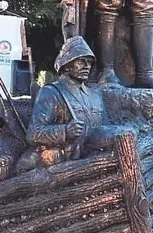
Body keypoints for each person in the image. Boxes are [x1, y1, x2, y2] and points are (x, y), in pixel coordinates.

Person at [20, 36, 104, 170]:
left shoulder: (95, 96)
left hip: (91, 161)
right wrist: (65, 131)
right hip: (61, 163)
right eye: (81, 61)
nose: (87, 66)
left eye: (89, 62)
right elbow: (33, 133)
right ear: (66, 65)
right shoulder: (51, 93)